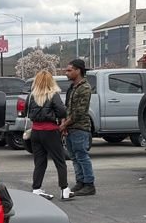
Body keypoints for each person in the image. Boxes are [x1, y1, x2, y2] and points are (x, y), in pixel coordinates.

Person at [25, 70, 72, 201]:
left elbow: (25, 112)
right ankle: (64, 189)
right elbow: (62, 111)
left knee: (39, 162)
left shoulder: (31, 96)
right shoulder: (53, 95)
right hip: (50, 131)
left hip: (35, 132)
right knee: (59, 161)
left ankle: (36, 188)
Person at [61, 58, 95, 196]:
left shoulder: (85, 88)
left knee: (82, 156)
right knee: (74, 157)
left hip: (80, 128)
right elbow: (67, 107)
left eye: (69, 70)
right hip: (70, 128)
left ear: (78, 70)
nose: (66, 73)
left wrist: (64, 124)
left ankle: (89, 184)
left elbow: (79, 112)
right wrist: (63, 123)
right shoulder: (72, 88)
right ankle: (80, 182)